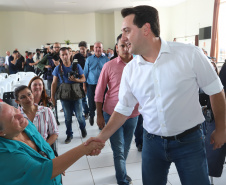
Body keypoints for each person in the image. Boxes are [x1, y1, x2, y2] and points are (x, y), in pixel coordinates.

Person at [86, 5, 226, 185]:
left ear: (146, 29)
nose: (123, 38)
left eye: (127, 31)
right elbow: (123, 109)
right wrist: (101, 137)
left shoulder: (189, 54)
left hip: (189, 141)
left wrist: (222, 128)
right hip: (152, 143)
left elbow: (216, 90)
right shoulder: (131, 70)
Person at [0, 102, 104, 185]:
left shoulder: (26, 126)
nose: (20, 114)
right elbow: (42, 171)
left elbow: (44, 147)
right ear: (1, 132)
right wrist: (85, 148)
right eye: (13, 118)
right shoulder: (4, 153)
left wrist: (57, 163)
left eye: (14, 109)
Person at [95, 34, 139, 185]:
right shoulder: (109, 65)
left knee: (126, 147)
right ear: (116, 48)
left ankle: (121, 172)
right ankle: (122, 180)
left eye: (128, 45)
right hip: (112, 113)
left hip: (133, 114)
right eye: (122, 46)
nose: (126, 49)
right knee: (118, 149)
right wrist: (99, 114)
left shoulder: (140, 64)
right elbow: (99, 92)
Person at [51, 47, 87, 144]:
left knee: (79, 116)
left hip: (76, 94)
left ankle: (83, 128)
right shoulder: (58, 68)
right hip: (65, 95)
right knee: (67, 117)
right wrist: (52, 97)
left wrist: (76, 80)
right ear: (60, 56)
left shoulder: (76, 66)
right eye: (62, 55)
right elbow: (54, 83)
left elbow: (83, 78)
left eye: (66, 54)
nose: (65, 56)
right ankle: (69, 134)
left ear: (70, 54)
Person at [83, 42, 109, 126]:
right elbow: (85, 73)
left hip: (103, 85)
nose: (98, 49)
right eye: (96, 47)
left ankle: (101, 121)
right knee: (91, 102)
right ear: (93, 49)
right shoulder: (89, 59)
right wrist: (84, 85)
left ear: (102, 49)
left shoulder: (106, 60)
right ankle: (91, 115)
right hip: (91, 85)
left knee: (103, 102)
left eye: (100, 47)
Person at [73, 41, 91, 119]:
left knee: (90, 97)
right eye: (80, 49)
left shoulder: (90, 56)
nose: (82, 50)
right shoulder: (76, 56)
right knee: (83, 97)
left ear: (86, 48)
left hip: (90, 79)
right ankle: (86, 112)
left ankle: (91, 111)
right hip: (80, 79)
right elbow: (74, 67)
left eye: (83, 49)